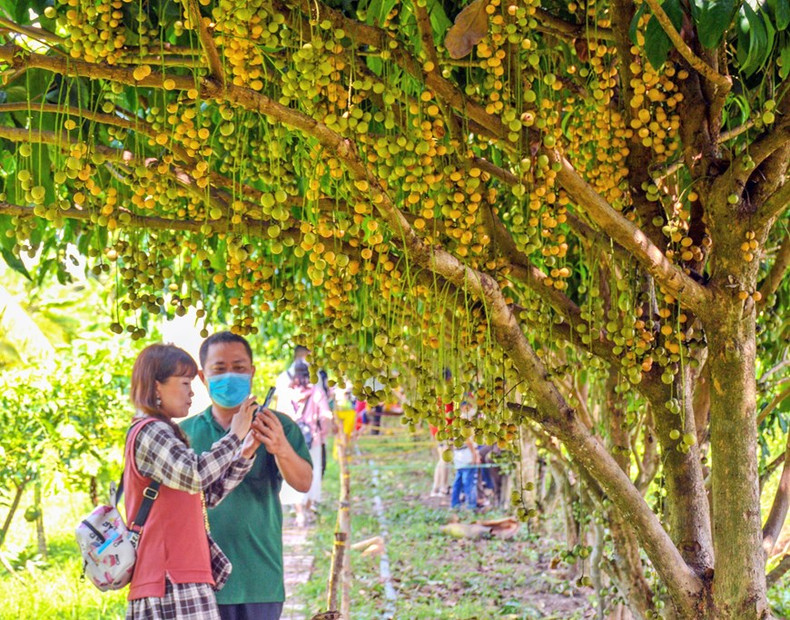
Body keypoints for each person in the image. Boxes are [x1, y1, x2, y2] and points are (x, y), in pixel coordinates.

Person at [124, 343, 263, 620]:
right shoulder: (151, 431)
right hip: (170, 577)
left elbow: (206, 494)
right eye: (185, 382)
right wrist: (234, 436)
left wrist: (244, 454)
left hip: (182, 573)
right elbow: (195, 475)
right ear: (156, 387)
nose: (192, 391)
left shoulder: (164, 431)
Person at [181, 332, 313, 620]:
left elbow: (304, 482)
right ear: (203, 377)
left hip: (259, 580)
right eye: (219, 369)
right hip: (198, 582)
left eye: (239, 368)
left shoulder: (278, 426)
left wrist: (280, 447)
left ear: (252, 373)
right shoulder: (184, 433)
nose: (230, 375)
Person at [278, 361, 333, 527]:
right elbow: (325, 416)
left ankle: (299, 513)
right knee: (312, 473)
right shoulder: (316, 392)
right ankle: (308, 510)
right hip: (312, 439)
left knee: (293, 473)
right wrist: (323, 434)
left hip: (291, 440)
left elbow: (280, 415)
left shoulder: (287, 393)